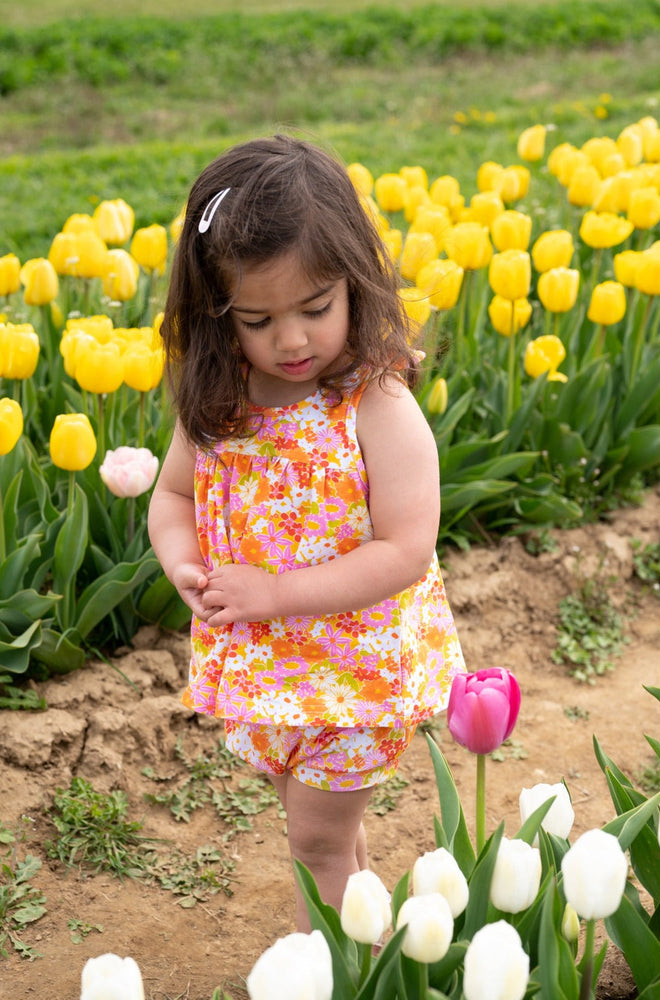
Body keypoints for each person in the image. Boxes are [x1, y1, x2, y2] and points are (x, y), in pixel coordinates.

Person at [148, 134, 464, 933]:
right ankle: (381, 948)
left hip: (357, 677)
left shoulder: (374, 406)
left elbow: (405, 549)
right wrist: (184, 562)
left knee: (316, 843)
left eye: (316, 309)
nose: (292, 341)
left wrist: (276, 593)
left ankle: (326, 975)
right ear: (219, 315)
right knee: (328, 836)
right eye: (258, 319)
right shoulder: (220, 407)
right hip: (270, 673)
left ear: (355, 284)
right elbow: (173, 498)